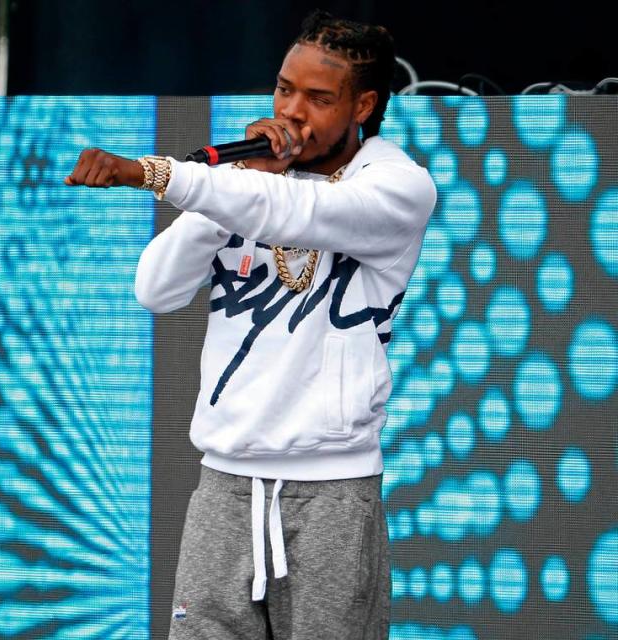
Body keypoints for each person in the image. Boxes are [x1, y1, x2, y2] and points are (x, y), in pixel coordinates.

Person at [65, 9, 437, 639]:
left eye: (319, 98)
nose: (292, 111)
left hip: (332, 489)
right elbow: (155, 289)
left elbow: (297, 212)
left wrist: (149, 173)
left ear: (363, 105)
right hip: (225, 483)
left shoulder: (398, 186)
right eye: (284, 89)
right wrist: (233, 179)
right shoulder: (247, 186)